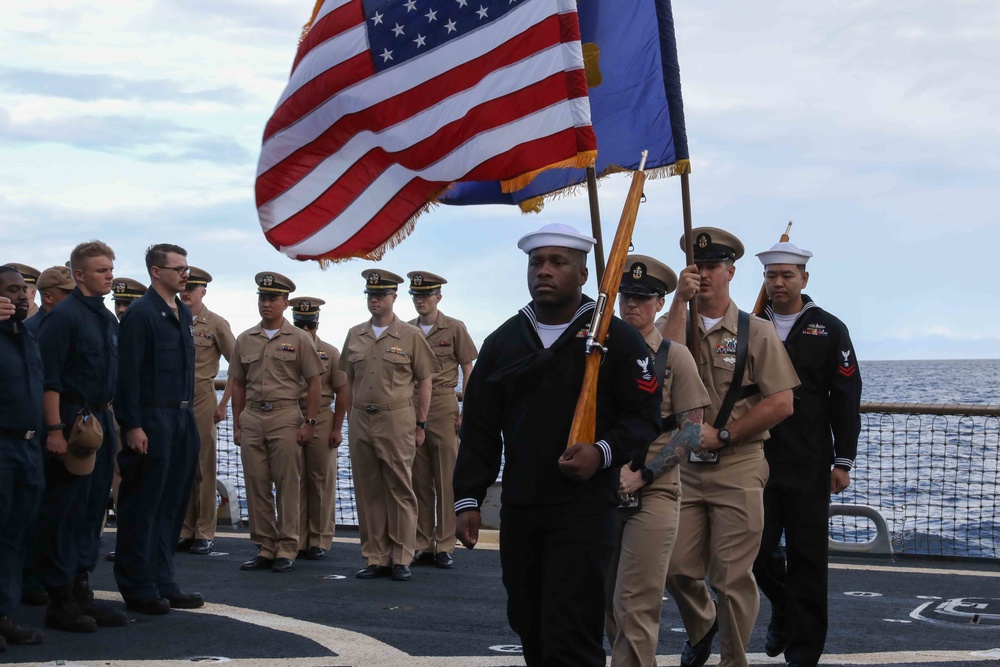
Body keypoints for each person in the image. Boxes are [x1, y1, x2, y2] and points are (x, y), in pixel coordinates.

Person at [453, 223, 661, 667]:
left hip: (585, 507)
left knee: (571, 630)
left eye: (557, 262)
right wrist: (468, 498)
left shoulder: (618, 339)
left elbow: (645, 417)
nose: (543, 271)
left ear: (583, 274)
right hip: (523, 504)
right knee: (528, 622)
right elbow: (479, 428)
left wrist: (602, 452)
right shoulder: (503, 342)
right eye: (536, 262)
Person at [657, 227, 799, 667]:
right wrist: (679, 300)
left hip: (738, 463)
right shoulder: (671, 324)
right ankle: (702, 626)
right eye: (696, 267)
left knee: (731, 577)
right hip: (684, 467)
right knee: (675, 567)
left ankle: (733, 660)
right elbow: (668, 359)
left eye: (713, 267)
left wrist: (726, 434)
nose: (704, 275)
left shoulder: (756, 332)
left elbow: (782, 402)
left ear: (731, 272)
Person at [752, 242, 862, 667]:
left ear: (804, 279)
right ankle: (782, 604)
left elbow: (846, 397)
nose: (778, 283)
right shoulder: (748, 325)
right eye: (770, 276)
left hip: (810, 461)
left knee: (809, 560)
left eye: (786, 275)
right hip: (754, 458)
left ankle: (804, 652)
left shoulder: (829, 329)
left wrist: (843, 460)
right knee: (752, 555)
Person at [605, 255, 710, 667]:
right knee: (603, 599)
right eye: (627, 296)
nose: (633, 305)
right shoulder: (597, 353)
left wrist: (644, 475)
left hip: (656, 491)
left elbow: (691, 431)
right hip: (603, 487)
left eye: (643, 298)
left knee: (635, 602)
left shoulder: (674, 357)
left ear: (660, 302)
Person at [31, 241, 125, 632]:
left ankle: (81, 588)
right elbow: (48, 379)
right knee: (65, 511)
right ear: (80, 274)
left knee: (92, 512)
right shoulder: (65, 318)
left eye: (110, 269)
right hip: (70, 421)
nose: (109, 275)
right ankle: (60, 600)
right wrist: (54, 429)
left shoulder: (105, 319)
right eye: (102, 270)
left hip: (100, 421)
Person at [114, 243, 202, 614]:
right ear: (156, 271)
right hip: (152, 419)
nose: (186, 273)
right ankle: (138, 586)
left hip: (182, 418)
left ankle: (163, 579)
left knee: (172, 505)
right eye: (179, 268)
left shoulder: (181, 312)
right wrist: (132, 425)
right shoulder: (141, 314)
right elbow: (128, 376)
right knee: (143, 505)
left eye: (186, 267)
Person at [339, 269, 436, 582]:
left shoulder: (410, 335)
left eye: (381, 294)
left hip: (396, 419)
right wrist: (349, 418)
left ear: (394, 297)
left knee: (400, 489)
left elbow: (425, 381)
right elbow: (348, 380)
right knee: (369, 491)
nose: (375, 300)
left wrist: (421, 422)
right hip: (361, 418)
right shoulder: (355, 334)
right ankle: (375, 556)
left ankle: (401, 556)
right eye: (370, 294)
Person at [230, 273, 323, 574]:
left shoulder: (299, 339)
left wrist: (309, 421)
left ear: (285, 303)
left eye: (272, 298)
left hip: (285, 416)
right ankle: (265, 547)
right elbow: (238, 384)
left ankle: (287, 547)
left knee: (287, 484)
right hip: (253, 416)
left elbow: (314, 382)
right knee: (256, 484)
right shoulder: (245, 339)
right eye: (262, 298)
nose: (266, 303)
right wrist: (237, 423)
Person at [406, 271, 478, 570]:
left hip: (444, 404)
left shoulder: (454, 328)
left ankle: (445, 544)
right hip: (411, 406)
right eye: (416, 296)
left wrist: (466, 411)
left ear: (438, 297)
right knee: (419, 479)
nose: (421, 301)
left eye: (426, 295)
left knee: (447, 479)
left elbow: (469, 369)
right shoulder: (406, 331)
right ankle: (423, 544)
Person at [0, 266, 45, 649]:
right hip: (1, 446)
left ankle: (4, 614)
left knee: (15, 537)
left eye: (25, 291)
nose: (22, 296)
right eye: (12, 290)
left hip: (28, 448)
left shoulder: (27, 337)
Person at [178, 267, 235, 556]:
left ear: (204, 292)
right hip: (173, 399)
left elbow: (237, 365)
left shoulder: (215, 324)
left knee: (203, 466)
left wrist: (223, 404)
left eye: (193, 288)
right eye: (184, 286)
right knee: (179, 465)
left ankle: (203, 531)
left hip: (201, 396)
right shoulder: (171, 317)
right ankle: (184, 529)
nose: (186, 292)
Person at [289, 297, 347, 560]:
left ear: (317, 324)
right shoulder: (287, 349)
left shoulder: (331, 353)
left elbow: (342, 391)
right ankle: (298, 538)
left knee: (321, 481)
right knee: (294, 481)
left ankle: (320, 539)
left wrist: (337, 428)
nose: (306, 331)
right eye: (301, 325)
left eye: (309, 325)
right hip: (292, 414)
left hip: (322, 417)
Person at [24, 266, 75, 336]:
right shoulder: (30, 331)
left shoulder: (75, 322)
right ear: (48, 297)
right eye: (68, 292)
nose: (75, 296)